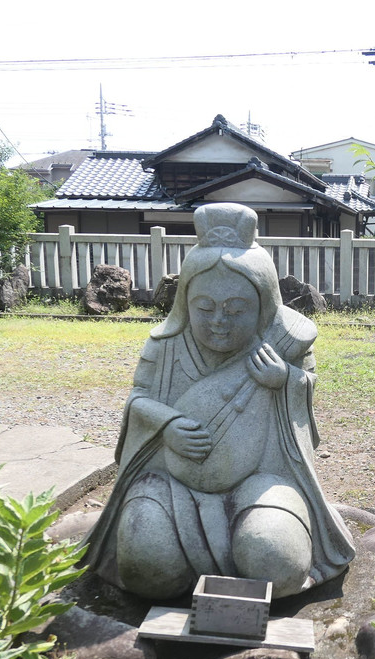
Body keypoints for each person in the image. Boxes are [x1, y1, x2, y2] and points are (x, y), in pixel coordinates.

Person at [85, 203, 355, 599]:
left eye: (236, 310)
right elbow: (138, 400)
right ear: (186, 303)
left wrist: (286, 381)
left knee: (275, 561)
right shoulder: (165, 345)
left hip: (262, 481)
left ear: (263, 305)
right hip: (170, 483)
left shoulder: (285, 343)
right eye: (204, 308)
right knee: (147, 563)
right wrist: (167, 425)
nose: (218, 321)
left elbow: (305, 402)